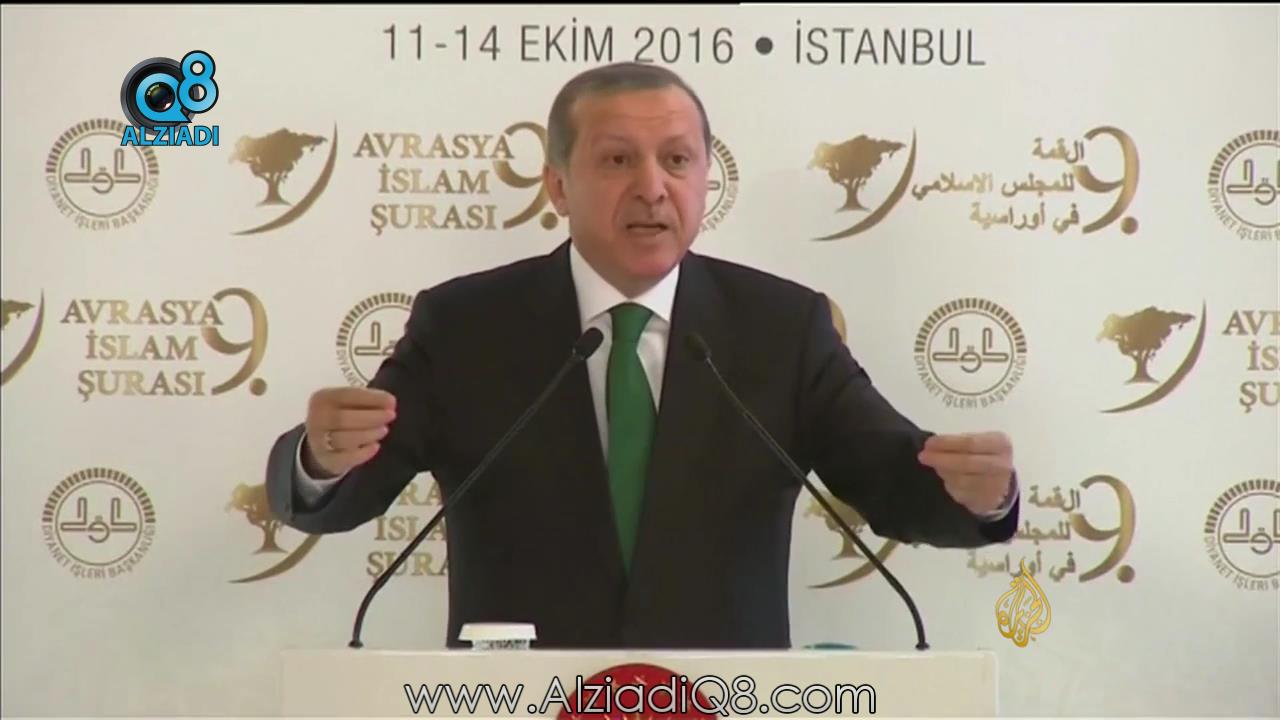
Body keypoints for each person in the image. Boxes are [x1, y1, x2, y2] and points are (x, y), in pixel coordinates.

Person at [265, 62, 1019, 649]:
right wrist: (320, 460)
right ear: (558, 186)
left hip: (721, 703)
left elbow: (890, 479)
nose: (653, 188)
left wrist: (980, 495)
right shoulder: (465, 326)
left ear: (705, 178)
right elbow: (349, 491)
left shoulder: (782, 328)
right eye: (618, 160)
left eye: (677, 160)